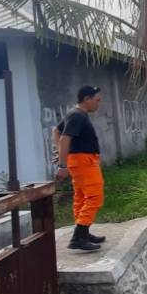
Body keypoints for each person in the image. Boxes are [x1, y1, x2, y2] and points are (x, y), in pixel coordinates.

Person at [55, 85, 106, 251]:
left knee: (82, 196)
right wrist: (62, 164)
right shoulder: (77, 115)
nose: (98, 104)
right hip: (84, 161)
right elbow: (64, 139)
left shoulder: (75, 114)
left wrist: (64, 154)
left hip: (80, 160)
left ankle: (83, 233)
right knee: (94, 196)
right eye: (97, 100)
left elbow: (56, 132)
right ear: (87, 99)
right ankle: (79, 237)